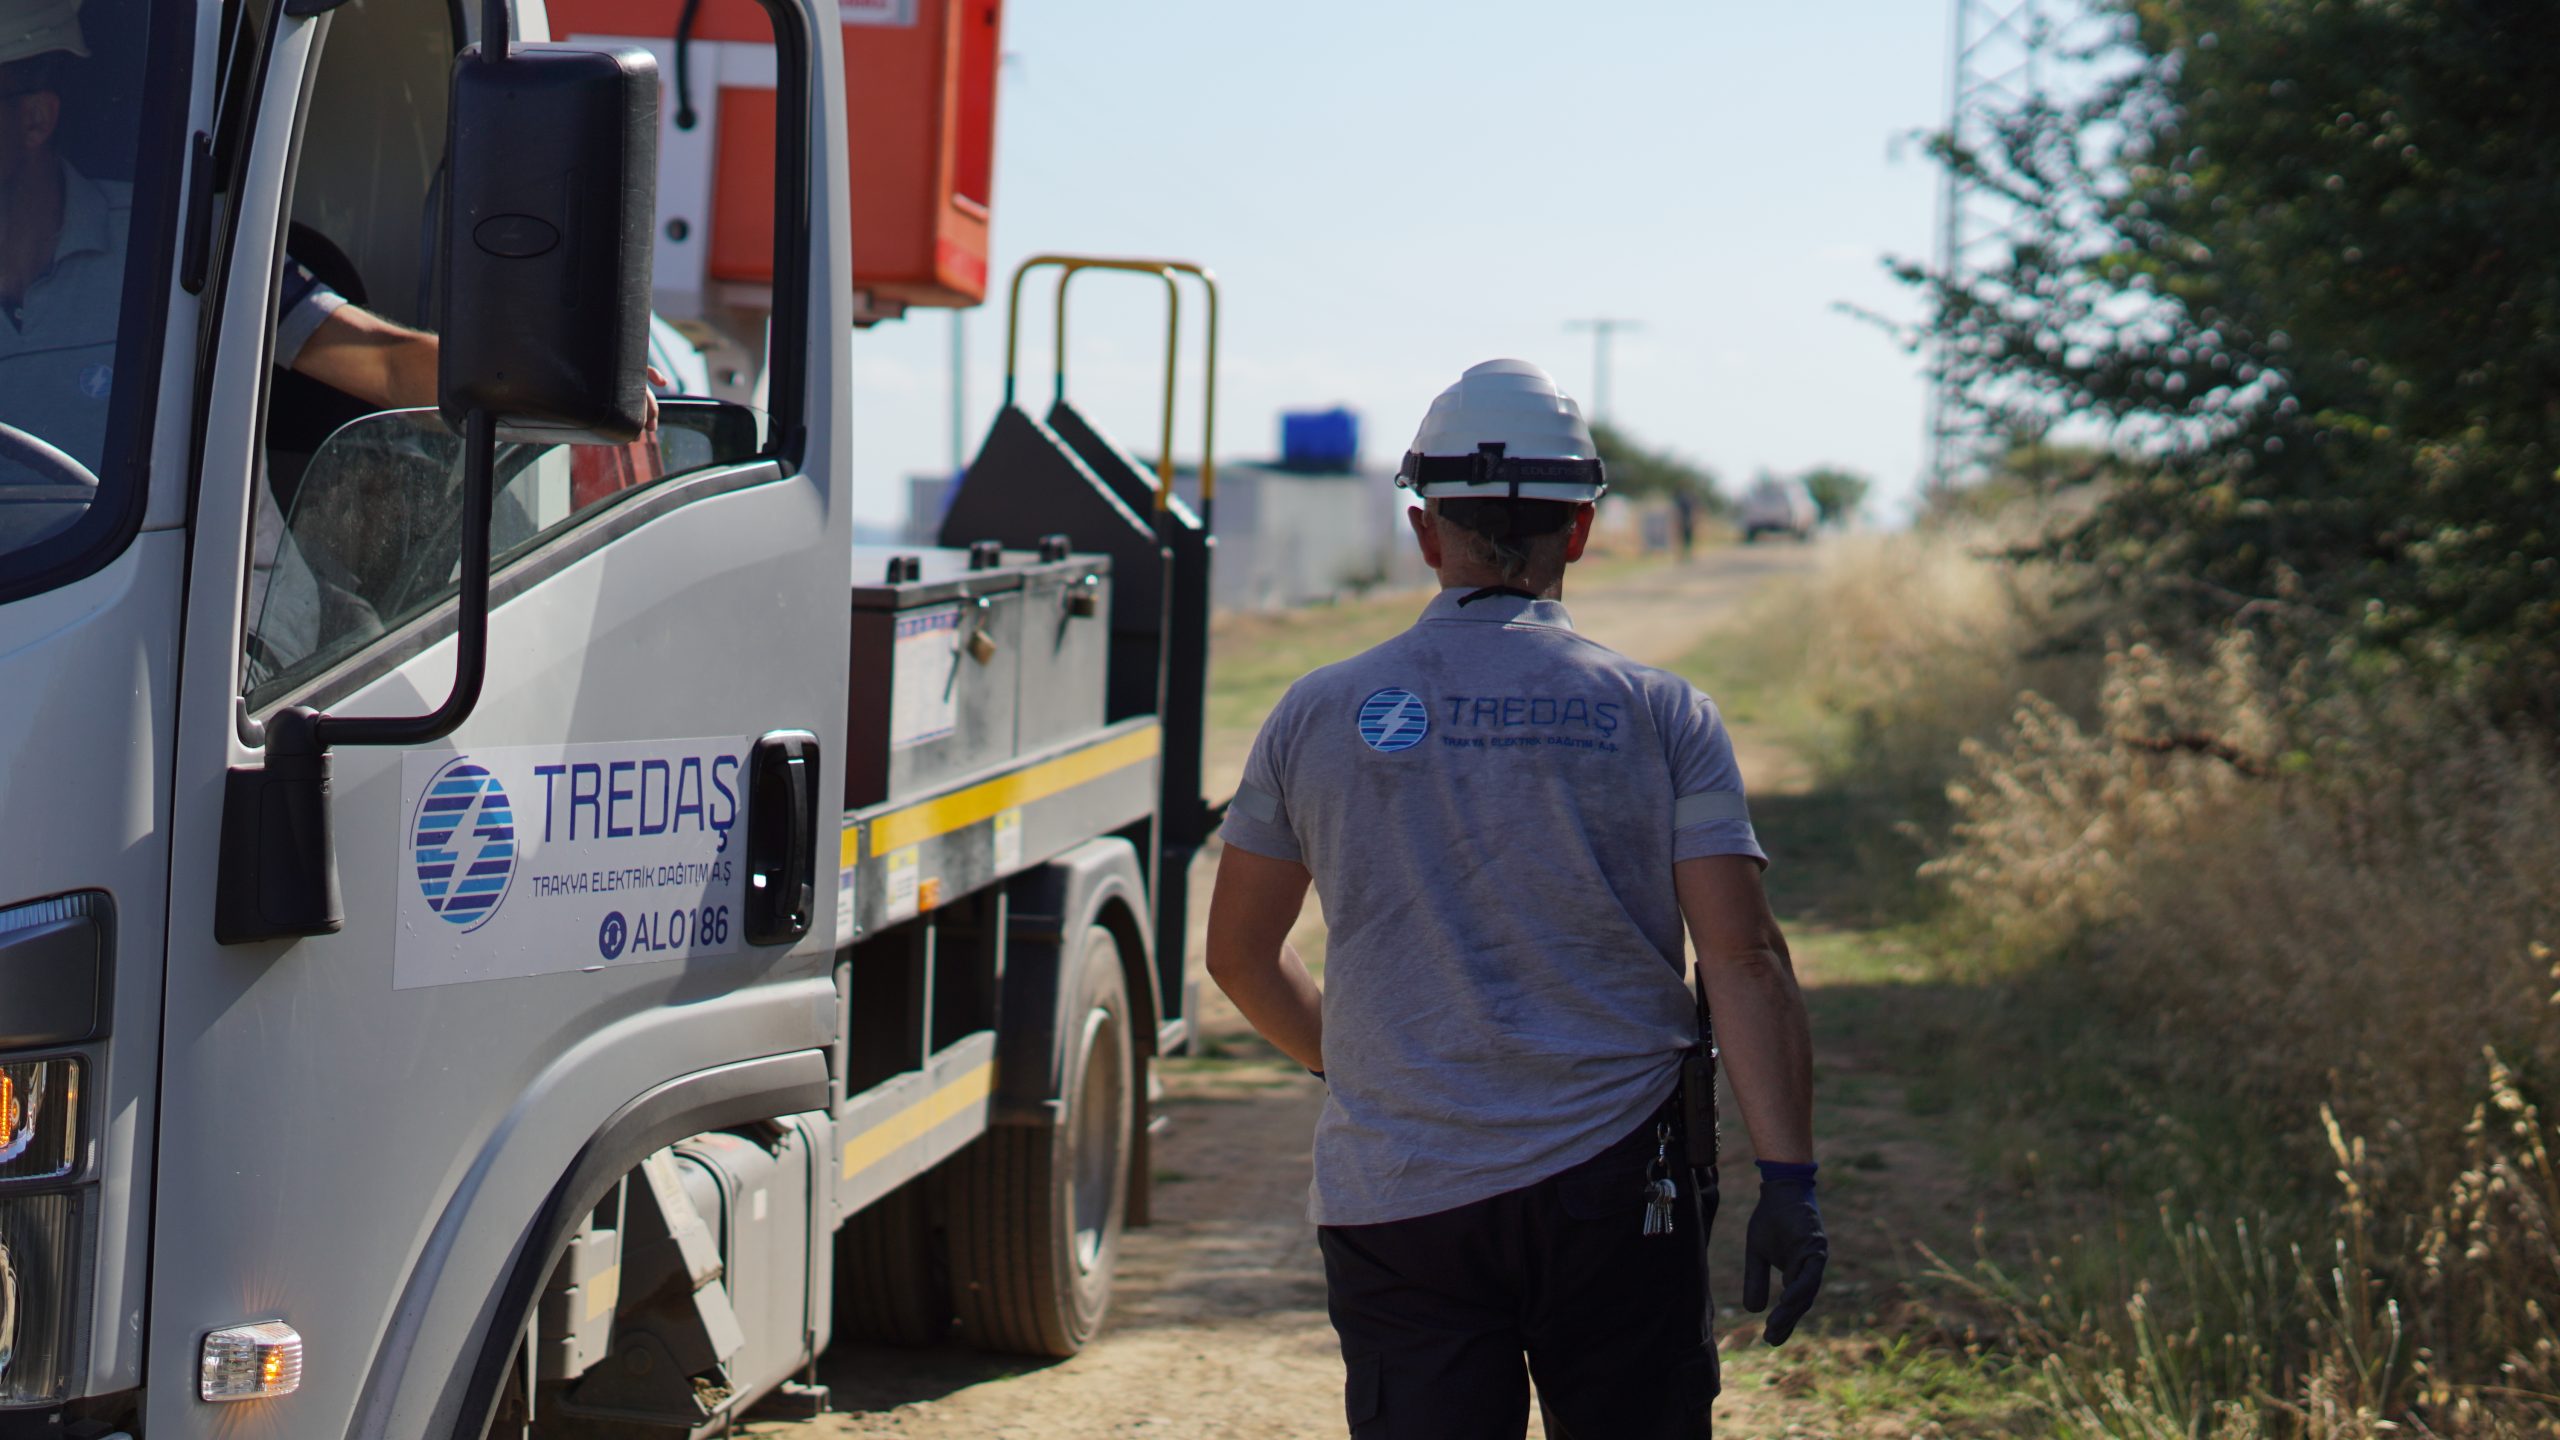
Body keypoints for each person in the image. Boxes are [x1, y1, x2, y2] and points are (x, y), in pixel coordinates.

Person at [1206, 358, 1827, 1439]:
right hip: (1620, 1190)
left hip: (1398, 1193)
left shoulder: (1315, 712)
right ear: (1578, 533)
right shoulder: (1663, 714)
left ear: (1424, 532)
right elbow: (1743, 959)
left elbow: (1239, 959)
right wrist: (1789, 1180)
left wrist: (1350, 1064)